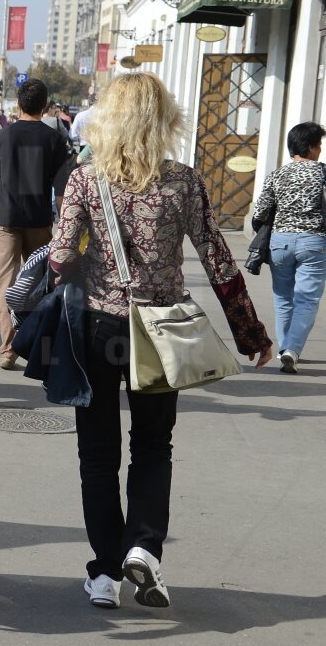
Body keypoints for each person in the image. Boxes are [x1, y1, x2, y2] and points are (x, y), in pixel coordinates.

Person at [49, 72, 272, 611]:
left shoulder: (85, 180)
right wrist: (250, 333)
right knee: (154, 445)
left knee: (97, 453)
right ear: (164, 120)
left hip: (100, 330)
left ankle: (104, 573)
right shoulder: (184, 182)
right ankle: (145, 550)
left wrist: (82, 261)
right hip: (161, 332)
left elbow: (58, 258)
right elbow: (219, 262)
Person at [0, 78, 71, 370]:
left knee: (5, 284)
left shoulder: (4, 136)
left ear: (18, 104)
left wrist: (0, 203)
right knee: (44, 284)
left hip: (6, 219)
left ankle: (7, 348)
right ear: (45, 106)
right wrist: (63, 228)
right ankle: (40, 348)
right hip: (39, 220)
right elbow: (62, 189)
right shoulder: (55, 139)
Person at [252, 121, 326, 374]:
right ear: (312, 147)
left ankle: (286, 349)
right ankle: (292, 349)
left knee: (283, 298)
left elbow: (260, 212)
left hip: (279, 242)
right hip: (313, 242)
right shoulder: (323, 172)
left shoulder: (277, 174)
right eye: (320, 145)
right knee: (306, 300)